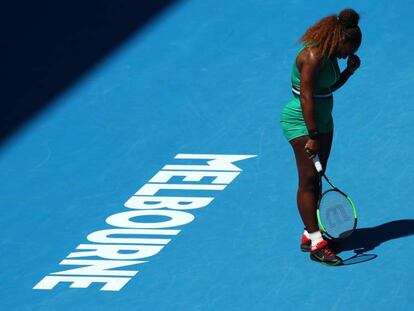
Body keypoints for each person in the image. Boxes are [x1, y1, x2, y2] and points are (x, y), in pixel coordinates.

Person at [280, 8, 362, 265]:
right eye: (349, 48)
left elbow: (326, 87)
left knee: (318, 175)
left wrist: (348, 72)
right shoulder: (313, 56)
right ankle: (317, 243)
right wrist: (312, 135)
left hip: (323, 120)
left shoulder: (331, 57)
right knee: (307, 180)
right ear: (338, 39)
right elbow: (306, 96)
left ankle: (309, 233)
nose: (349, 53)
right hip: (303, 122)